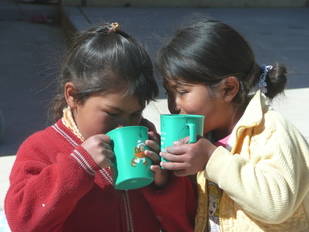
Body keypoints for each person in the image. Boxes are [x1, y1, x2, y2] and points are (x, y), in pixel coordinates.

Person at [5, 23, 196, 232]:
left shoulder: (149, 143)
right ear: (72, 95)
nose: (125, 125)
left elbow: (185, 222)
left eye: (135, 114)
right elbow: (23, 223)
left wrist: (164, 184)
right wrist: (79, 165)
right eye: (112, 114)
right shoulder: (41, 149)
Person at [158, 19, 309, 232]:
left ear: (228, 89)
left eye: (182, 92)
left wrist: (212, 158)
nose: (174, 104)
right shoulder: (207, 136)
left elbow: (278, 204)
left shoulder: (272, 132)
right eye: (168, 93)